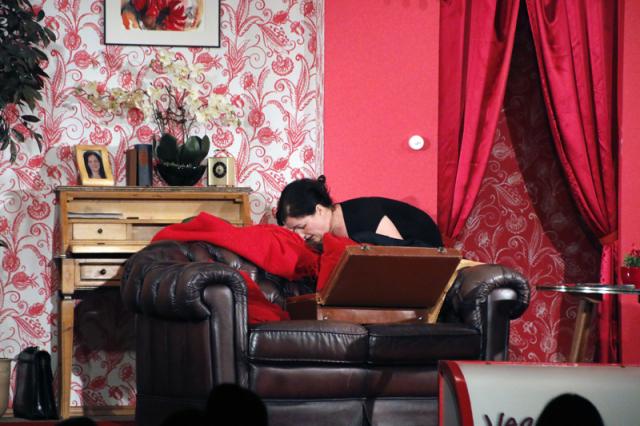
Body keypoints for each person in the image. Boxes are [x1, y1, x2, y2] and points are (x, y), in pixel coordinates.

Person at [276, 176, 443, 249]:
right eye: (293, 231)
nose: (300, 236)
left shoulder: (365, 214)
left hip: (428, 257)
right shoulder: (322, 238)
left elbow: (399, 258)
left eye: (302, 227)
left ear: (319, 210)